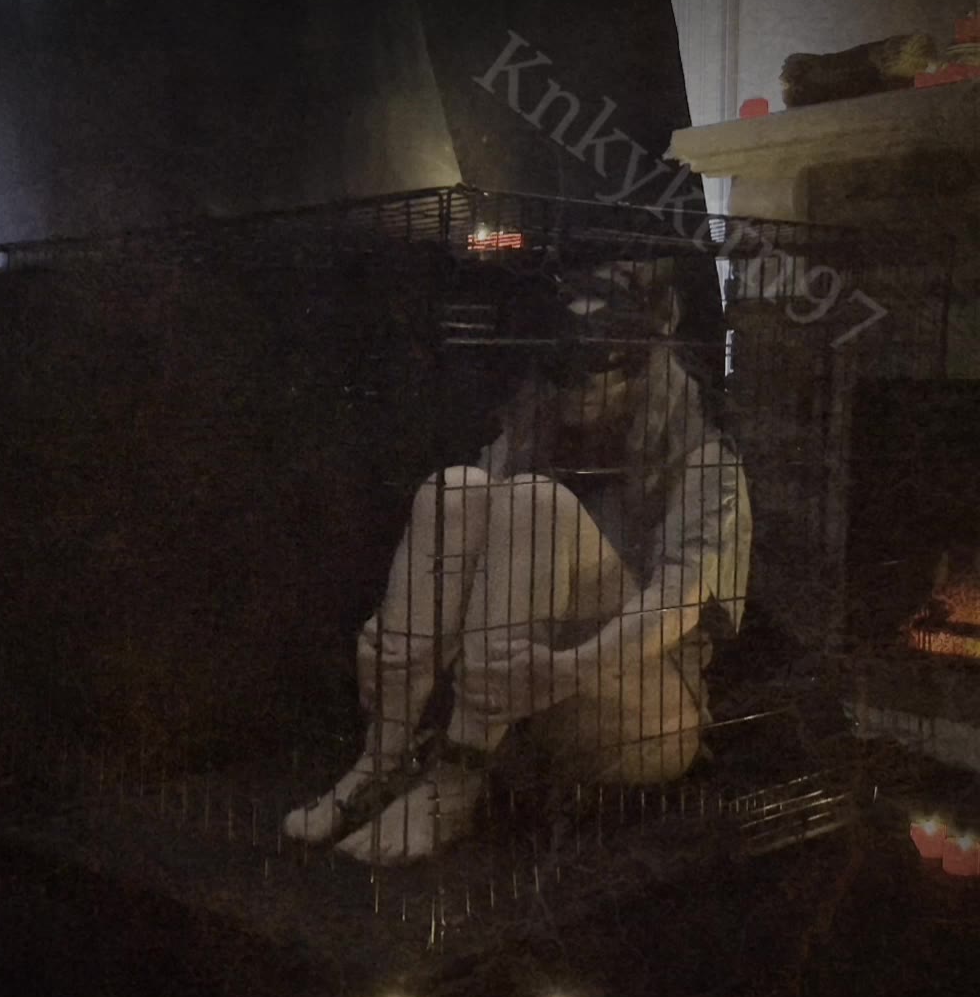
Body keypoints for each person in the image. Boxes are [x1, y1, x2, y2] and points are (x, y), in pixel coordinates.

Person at [285, 260, 753, 864]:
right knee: (452, 491)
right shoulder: (532, 432)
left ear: (643, 363)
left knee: (536, 502)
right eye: (564, 362)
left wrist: (570, 668)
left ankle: (457, 782)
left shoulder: (704, 458)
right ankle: (381, 757)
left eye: (598, 360)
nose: (578, 383)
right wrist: (394, 644)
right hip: (521, 696)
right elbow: (460, 543)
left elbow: (681, 600)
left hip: (640, 711)